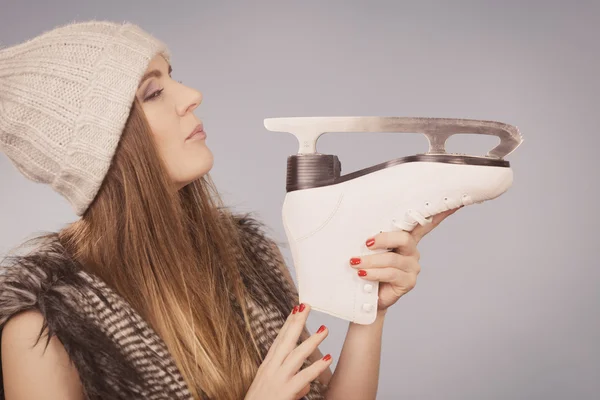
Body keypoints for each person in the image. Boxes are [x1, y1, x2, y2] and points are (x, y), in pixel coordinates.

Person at [0, 20, 459, 400]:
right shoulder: (43, 325)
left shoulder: (249, 255)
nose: (191, 95)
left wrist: (370, 312)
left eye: (172, 76)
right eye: (153, 93)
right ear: (102, 150)